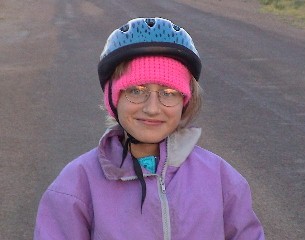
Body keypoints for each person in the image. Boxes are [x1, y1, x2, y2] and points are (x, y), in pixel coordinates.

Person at [34, 17, 265, 239]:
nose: (152, 108)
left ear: (185, 101)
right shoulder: (76, 185)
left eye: (169, 93)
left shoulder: (221, 179)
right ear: (113, 99)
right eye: (136, 90)